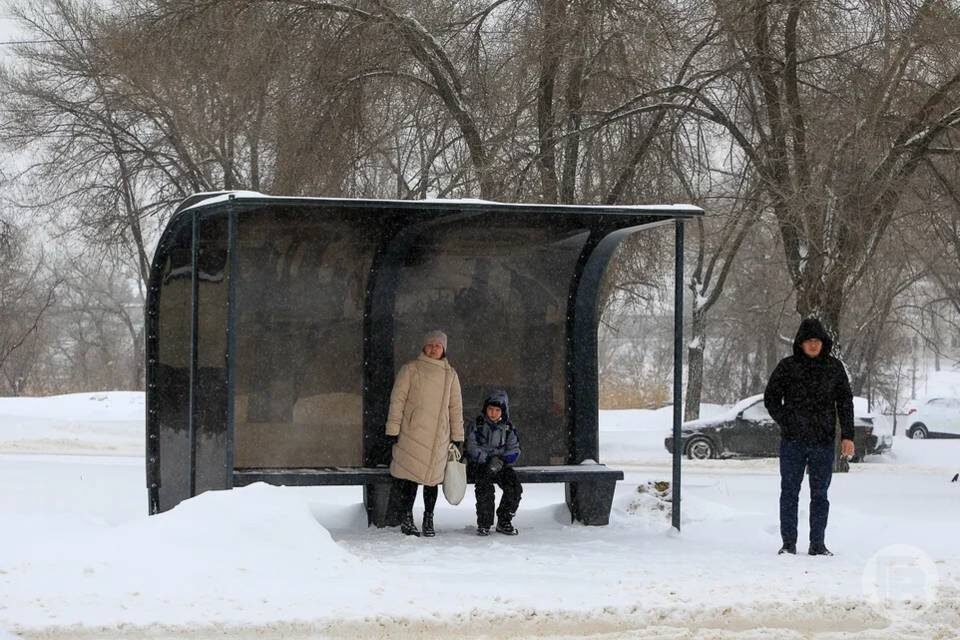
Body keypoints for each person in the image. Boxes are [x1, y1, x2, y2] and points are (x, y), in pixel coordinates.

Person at [764, 318, 854, 557]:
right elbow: (771, 398)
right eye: (809, 341)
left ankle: (817, 545)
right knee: (789, 492)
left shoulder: (834, 368)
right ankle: (788, 544)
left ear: (823, 343)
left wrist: (847, 435)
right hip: (793, 442)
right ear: (801, 343)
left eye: (817, 341)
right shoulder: (787, 367)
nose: (813, 345)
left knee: (820, 495)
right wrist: (787, 420)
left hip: (823, 442)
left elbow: (845, 402)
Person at [386, 330, 464, 537]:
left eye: (438, 345)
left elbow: (455, 408)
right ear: (423, 347)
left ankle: (429, 518)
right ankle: (407, 518)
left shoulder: (450, 375)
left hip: (439, 436)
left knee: (432, 480)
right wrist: (393, 429)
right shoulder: (410, 370)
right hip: (413, 434)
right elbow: (398, 401)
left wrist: (457, 437)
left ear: (444, 349)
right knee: (410, 478)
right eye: (430, 345)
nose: (433, 348)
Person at [467, 390, 522, 536]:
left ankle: (504, 520)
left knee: (514, 488)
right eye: (490, 409)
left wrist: (502, 460)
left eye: (497, 410)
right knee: (484, 490)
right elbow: (471, 446)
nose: (493, 413)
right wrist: (486, 459)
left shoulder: (508, 428)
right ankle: (484, 523)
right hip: (480, 464)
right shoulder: (477, 425)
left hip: (501, 465)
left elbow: (515, 449)